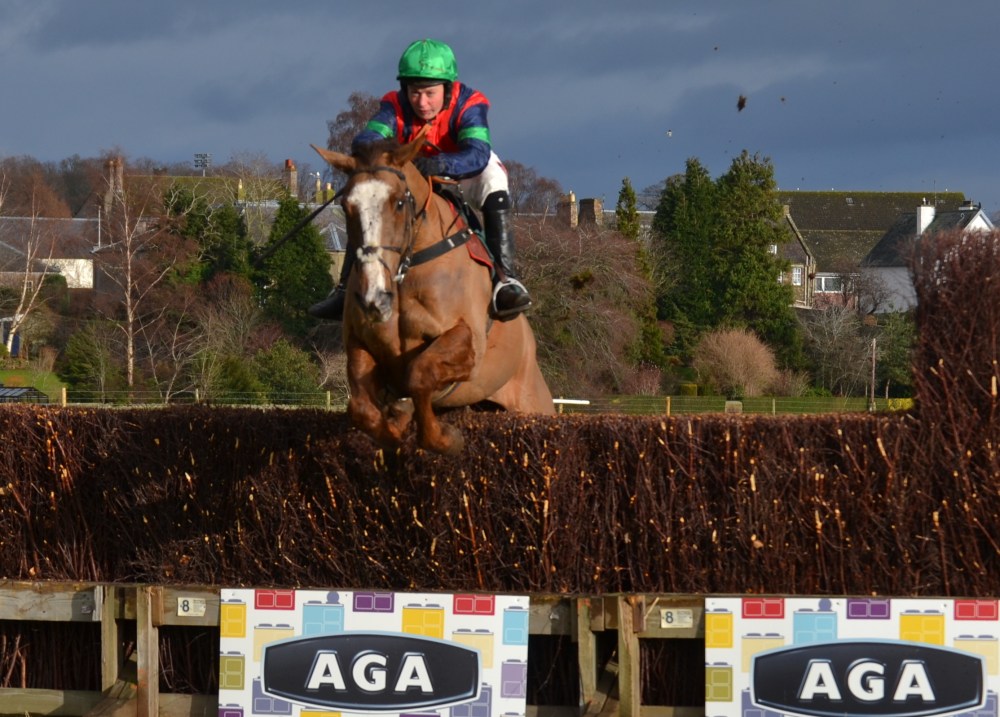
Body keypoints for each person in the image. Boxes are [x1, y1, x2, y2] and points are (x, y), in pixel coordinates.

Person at [308, 38, 532, 322]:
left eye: (429, 93)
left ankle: (505, 280)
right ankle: (344, 289)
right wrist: (377, 159)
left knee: (494, 177)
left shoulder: (471, 104)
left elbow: (478, 152)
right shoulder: (393, 104)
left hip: (463, 166)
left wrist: (442, 164)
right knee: (369, 198)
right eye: (415, 93)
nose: (422, 102)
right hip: (411, 167)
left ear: (448, 89)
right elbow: (367, 138)